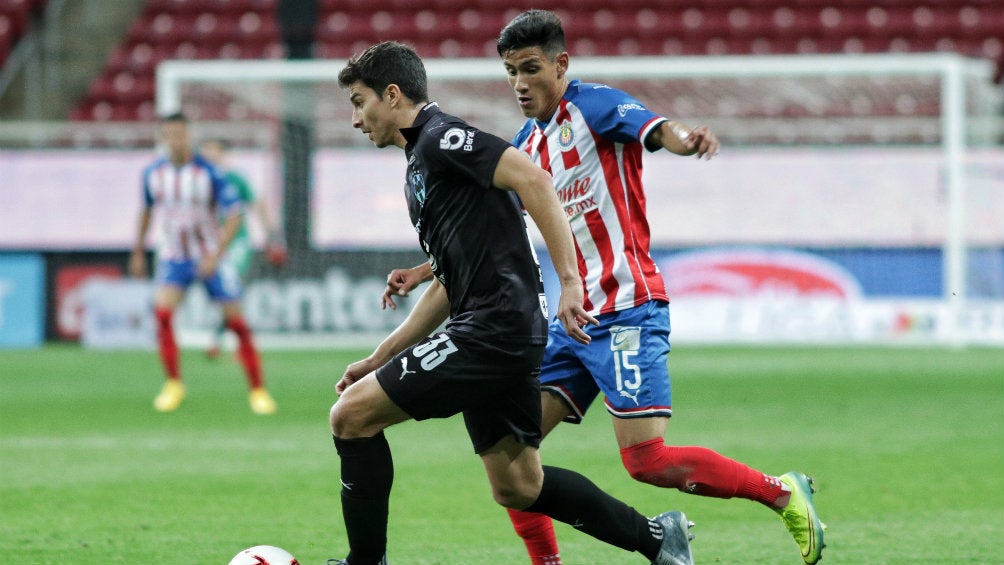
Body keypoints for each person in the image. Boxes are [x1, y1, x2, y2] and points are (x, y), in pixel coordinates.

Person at [380, 10, 826, 565]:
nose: (519, 83)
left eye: (530, 68)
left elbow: (657, 129)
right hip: (571, 323)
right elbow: (490, 228)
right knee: (513, 462)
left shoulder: (594, 106)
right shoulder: (525, 144)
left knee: (647, 461)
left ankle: (781, 492)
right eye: (511, 72)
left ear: (561, 64)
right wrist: (425, 269)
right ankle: (547, 561)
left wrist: (686, 140)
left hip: (627, 307)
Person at [327, 41, 696, 565]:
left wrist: (570, 282)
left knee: (350, 417)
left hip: (493, 331)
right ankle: (659, 539)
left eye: (359, 102)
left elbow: (534, 178)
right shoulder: (421, 166)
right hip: (505, 332)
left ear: (391, 95)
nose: (356, 119)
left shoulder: (441, 138)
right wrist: (380, 357)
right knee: (518, 485)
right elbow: (450, 283)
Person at [129, 113, 277, 415]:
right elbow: (147, 211)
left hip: (210, 255)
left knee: (237, 323)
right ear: (162, 138)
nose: (176, 140)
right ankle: (173, 384)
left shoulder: (210, 173)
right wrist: (138, 251)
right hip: (175, 256)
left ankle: (258, 390)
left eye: (180, 134)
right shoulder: (153, 174)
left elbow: (235, 215)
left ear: (189, 136)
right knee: (162, 313)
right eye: (170, 135)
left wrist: (216, 255)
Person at [197, 138, 286, 360]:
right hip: (210, 244)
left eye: (213, 149)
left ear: (222, 153)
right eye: (205, 151)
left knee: (232, 288)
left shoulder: (236, 179)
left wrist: (272, 237)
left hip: (237, 243)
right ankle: (231, 340)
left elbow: (257, 205)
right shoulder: (199, 180)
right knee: (227, 295)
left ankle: (220, 340)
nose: (209, 155)